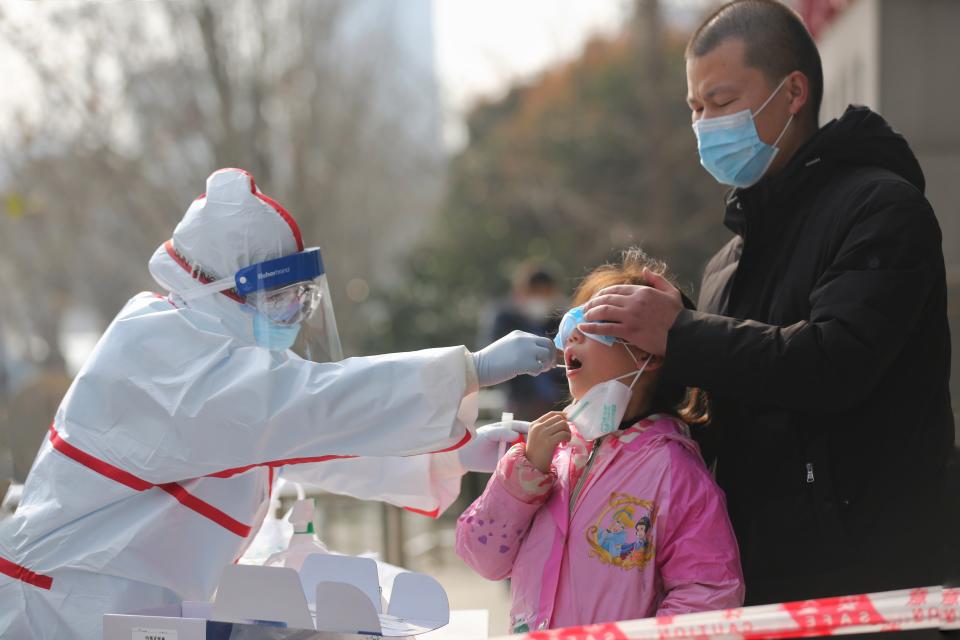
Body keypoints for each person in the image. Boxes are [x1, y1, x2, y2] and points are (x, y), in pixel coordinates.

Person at [0, 168, 556, 640]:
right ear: (217, 289)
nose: (292, 313)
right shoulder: (160, 360)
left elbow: (303, 444)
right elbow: (311, 408)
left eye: (300, 296)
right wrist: (470, 370)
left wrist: (454, 452)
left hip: (118, 607)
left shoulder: (199, 347)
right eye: (277, 296)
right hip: (62, 611)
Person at [579, 0, 955, 604]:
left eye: (721, 103)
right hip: (759, 580)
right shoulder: (729, 258)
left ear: (794, 92)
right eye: (695, 109)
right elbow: (730, 403)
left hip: (873, 581)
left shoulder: (881, 208)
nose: (705, 125)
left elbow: (835, 362)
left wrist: (682, 333)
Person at [456, 249, 743, 633]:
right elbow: (482, 557)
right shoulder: (548, 453)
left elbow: (708, 591)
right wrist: (521, 476)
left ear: (650, 353)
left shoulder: (673, 470)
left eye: (597, 323)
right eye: (572, 320)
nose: (573, 333)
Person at [482, 260, 567, 420]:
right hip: (520, 402)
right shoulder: (505, 319)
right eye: (535, 293)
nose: (540, 299)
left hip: (559, 402)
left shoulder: (560, 319)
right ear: (522, 292)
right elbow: (493, 357)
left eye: (545, 293)